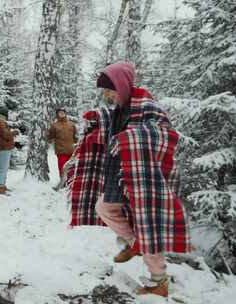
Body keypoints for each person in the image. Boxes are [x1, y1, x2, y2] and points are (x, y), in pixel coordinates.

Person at [67, 62, 190, 297]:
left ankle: (159, 281)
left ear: (122, 85)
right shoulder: (120, 109)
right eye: (105, 91)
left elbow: (166, 134)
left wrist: (132, 137)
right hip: (120, 173)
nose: (107, 95)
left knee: (146, 226)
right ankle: (134, 243)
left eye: (110, 90)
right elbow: (115, 132)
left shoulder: (146, 106)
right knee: (104, 207)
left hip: (143, 177)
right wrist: (99, 120)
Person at [0, 105, 19, 195]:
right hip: (3, 147)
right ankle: (0, 187)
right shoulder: (0, 122)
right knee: (3, 168)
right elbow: (6, 134)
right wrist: (14, 132)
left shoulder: (1, 121)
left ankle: (3, 185)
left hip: (5, 147)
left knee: (4, 167)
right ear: (3, 113)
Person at [48, 108, 77, 183]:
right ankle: (63, 182)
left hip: (71, 150)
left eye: (63, 112)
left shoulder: (71, 124)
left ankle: (71, 183)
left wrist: (76, 146)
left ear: (65, 113)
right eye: (60, 113)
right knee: (62, 167)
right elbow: (50, 136)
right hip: (61, 150)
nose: (61, 114)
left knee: (71, 167)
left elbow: (75, 136)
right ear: (57, 114)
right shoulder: (54, 125)